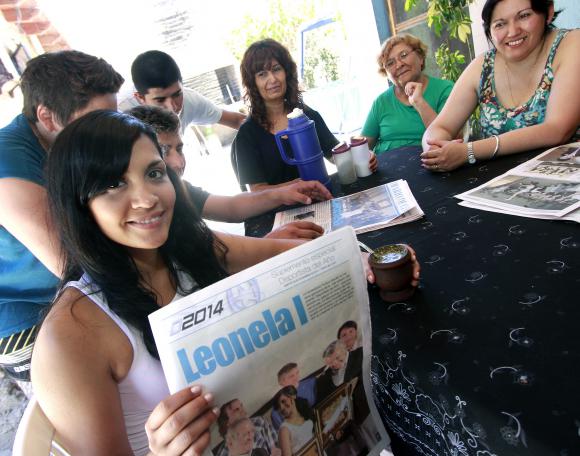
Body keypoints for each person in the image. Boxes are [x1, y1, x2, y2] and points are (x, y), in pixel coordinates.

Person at [31, 110, 303, 455]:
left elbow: (287, 253)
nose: (148, 199)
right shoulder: (70, 334)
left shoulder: (189, 249)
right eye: (114, 184)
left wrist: (354, 256)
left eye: (154, 173)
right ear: (79, 204)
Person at [0, 50, 123, 385]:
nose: (109, 133)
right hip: (22, 319)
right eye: (96, 121)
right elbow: (69, 261)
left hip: (67, 299)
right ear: (48, 116)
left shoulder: (61, 144)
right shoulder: (7, 161)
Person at [127, 105, 329, 240]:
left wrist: (282, 193)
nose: (178, 162)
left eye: (179, 149)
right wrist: (269, 243)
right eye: (164, 151)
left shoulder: (180, 189)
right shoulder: (138, 213)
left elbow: (232, 207)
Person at [422, 0, 580, 172]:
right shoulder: (483, 66)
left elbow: (557, 130)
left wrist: (469, 151)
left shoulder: (571, 44)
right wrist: (435, 150)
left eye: (524, 16)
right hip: (500, 179)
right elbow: (440, 127)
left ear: (548, 13)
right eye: (500, 24)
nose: (513, 32)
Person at [235, 38, 378, 191]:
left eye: (276, 69)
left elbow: (334, 154)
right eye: (262, 74)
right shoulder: (247, 134)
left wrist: (361, 158)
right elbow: (257, 190)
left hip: (320, 198)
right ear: (253, 83)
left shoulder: (307, 115)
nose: (273, 79)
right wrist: (296, 186)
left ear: (286, 72)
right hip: (280, 206)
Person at [361, 34, 454, 154]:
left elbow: (452, 140)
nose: (399, 65)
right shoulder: (381, 102)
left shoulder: (445, 89)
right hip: (385, 163)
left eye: (403, 55)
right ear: (386, 73)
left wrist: (419, 102)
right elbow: (362, 146)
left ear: (420, 57)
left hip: (425, 161)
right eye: (390, 63)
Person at [120, 50, 246, 134]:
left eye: (177, 94)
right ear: (140, 98)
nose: (172, 107)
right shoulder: (120, 118)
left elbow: (237, 121)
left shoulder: (189, 99)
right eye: (160, 100)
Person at [271, 362, 317, 430]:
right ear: (281, 382)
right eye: (291, 376)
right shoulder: (276, 412)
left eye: (297, 373)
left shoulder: (312, 383)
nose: (296, 378)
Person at [273, 385, 315, 456]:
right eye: (278, 406)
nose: (281, 407)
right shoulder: (284, 429)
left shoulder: (305, 413)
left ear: (293, 396)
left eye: (283, 401)